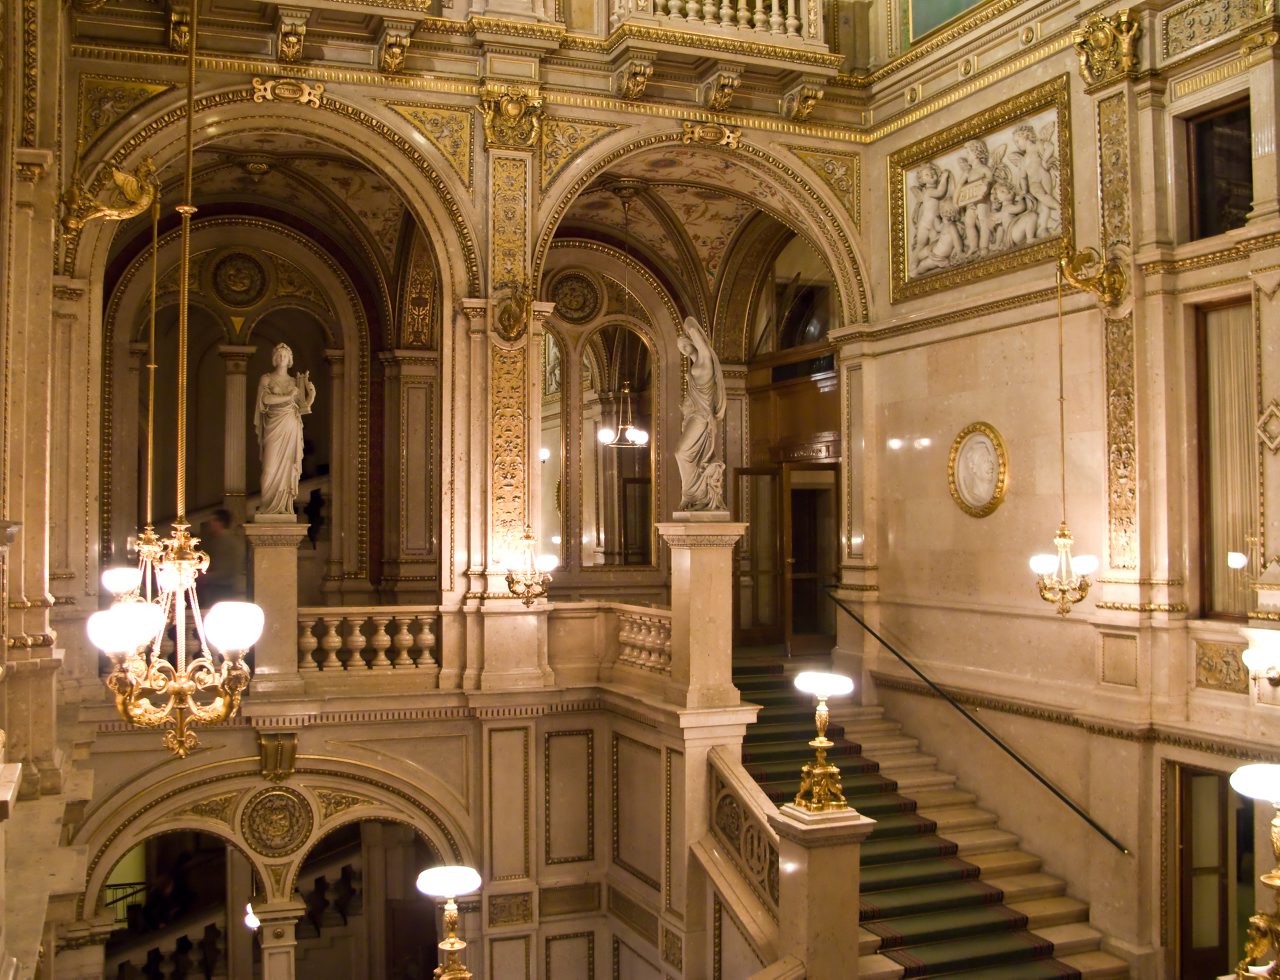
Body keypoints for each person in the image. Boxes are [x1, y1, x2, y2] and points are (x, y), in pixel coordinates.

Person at [254, 342, 316, 516]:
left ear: (290, 359)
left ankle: (283, 506)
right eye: (279, 355)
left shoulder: (294, 381)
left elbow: (302, 407)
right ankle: (267, 506)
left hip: (290, 425)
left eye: (285, 356)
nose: (282, 358)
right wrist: (288, 395)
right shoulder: (266, 378)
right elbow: (265, 400)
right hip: (273, 425)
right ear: (275, 358)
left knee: (288, 467)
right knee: (269, 467)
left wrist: (311, 395)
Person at [674, 317, 727, 512]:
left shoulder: (705, 359)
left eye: (684, 345)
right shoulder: (695, 363)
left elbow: (692, 328)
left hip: (702, 416)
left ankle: (693, 494)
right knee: (686, 455)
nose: (683, 349)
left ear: (692, 342)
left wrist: (688, 327)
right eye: (680, 348)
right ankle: (692, 496)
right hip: (692, 415)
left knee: (681, 452)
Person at [199, 508, 244, 604]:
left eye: (213, 520)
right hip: (221, 585)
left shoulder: (226, 541)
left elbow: (226, 569)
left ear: (220, 523)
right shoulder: (220, 539)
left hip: (223, 586)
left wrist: (203, 577)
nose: (210, 524)